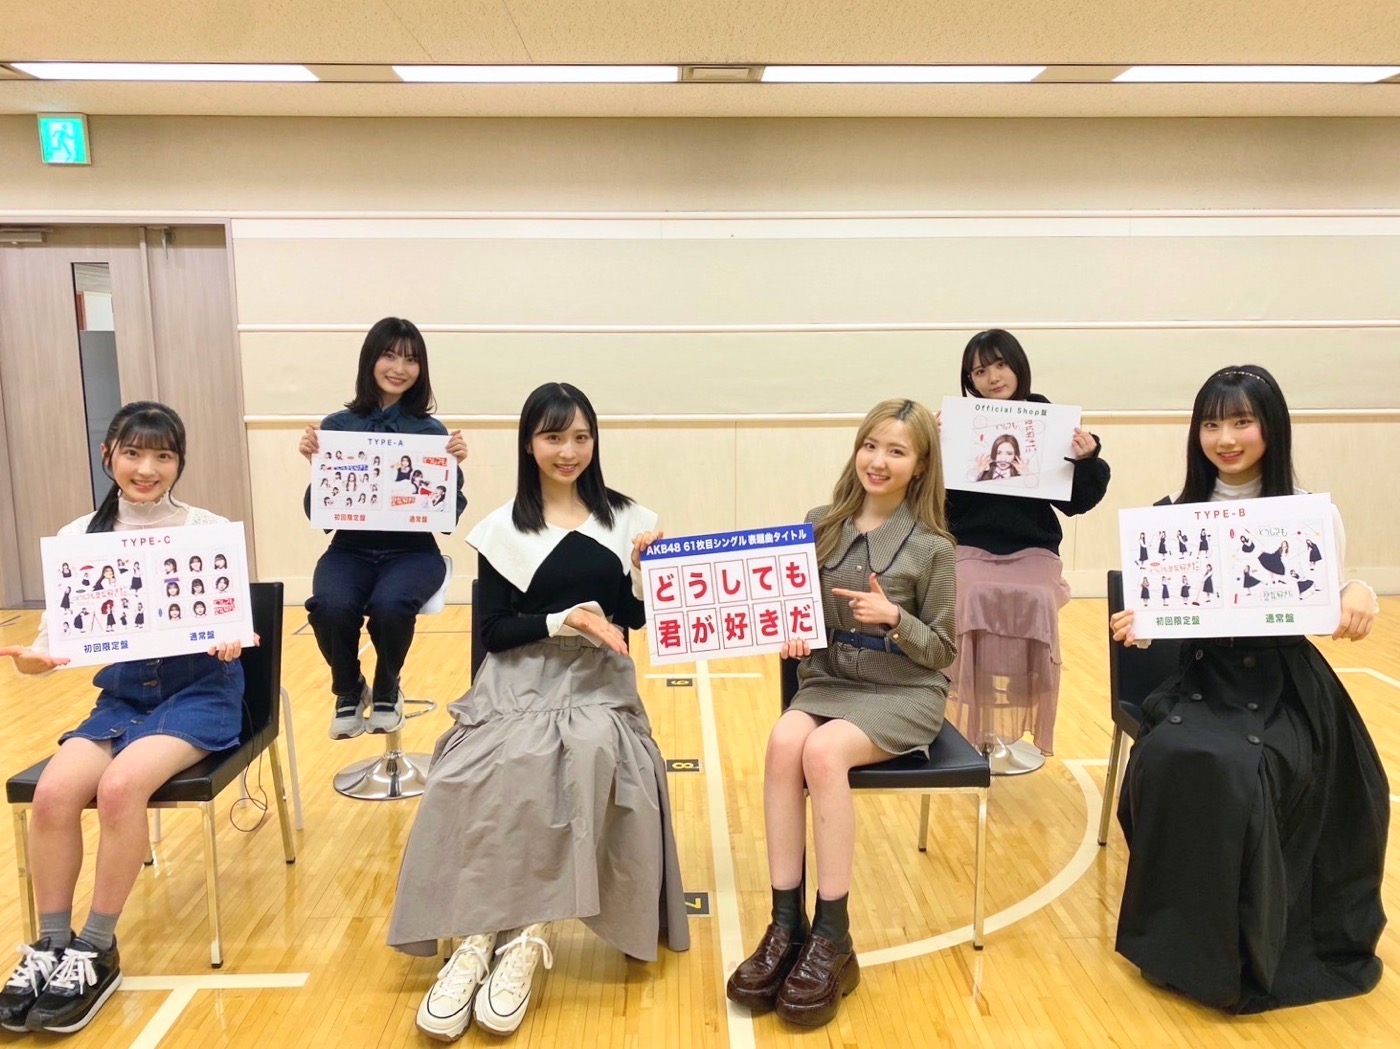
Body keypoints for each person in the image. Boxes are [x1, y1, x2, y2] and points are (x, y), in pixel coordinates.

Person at [388, 382, 687, 1041]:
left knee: (586, 756)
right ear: (529, 444)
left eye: (581, 436)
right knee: (478, 771)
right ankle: (477, 937)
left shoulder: (629, 519)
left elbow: (634, 619)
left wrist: (646, 573)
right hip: (517, 675)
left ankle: (526, 936)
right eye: (554, 437)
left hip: (598, 679)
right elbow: (495, 631)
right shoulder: (503, 530)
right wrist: (564, 617)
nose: (569, 450)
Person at [1109, 364, 1386, 1013]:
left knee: (1260, 769)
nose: (1225, 438)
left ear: (1272, 428)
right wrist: (1140, 626)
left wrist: (1359, 590)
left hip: (1286, 682)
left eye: (1241, 421)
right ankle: (1180, 943)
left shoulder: (1309, 511)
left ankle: (1258, 944)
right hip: (1203, 680)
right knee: (1172, 757)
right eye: (1212, 424)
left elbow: (1330, 595)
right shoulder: (1172, 516)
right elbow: (1166, 615)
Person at [0, 402, 252, 1036]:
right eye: (134, 453)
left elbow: (231, 621)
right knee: (53, 794)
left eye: (163, 455)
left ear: (179, 462)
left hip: (200, 691)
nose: (147, 468)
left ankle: (96, 946)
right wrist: (32, 660)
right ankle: (51, 945)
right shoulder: (78, 537)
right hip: (123, 696)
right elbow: (50, 650)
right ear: (108, 454)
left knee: (119, 788)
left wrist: (230, 638)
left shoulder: (205, 528)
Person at [726, 398, 957, 1028]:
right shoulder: (818, 524)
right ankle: (785, 926)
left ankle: (832, 937)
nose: (878, 461)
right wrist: (791, 630)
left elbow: (943, 650)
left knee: (823, 753)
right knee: (783, 743)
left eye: (897, 451)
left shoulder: (933, 546)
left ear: (920, 465)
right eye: (870, 446)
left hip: (904, 693)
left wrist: (896, 618)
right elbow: (796, 612)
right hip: (830, 681)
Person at [942, 330, 1111, 760]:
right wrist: (934, 447)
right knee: (967, 594)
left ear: (1018, 366)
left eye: (1000, 365)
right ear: (970, 380)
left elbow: (1075, 503)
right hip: (971, 545)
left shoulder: (1048, 420)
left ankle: (1016, 717)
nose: (993, 377)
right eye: (980, 371)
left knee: (1037, 600)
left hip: (1033, 548)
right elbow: (937, 500)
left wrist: (1087, 459)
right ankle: (969, 724)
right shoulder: (960, 424)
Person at [299, 318, 467, 740]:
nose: (399, 368)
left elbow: (447, 511)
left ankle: (388, 687)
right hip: (350, 549)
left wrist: (452, 468)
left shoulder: (432, 432)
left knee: (391, 606)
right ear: (370, 360)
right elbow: (321, 513)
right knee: (329, 606)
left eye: (411, 359)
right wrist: (317, 465)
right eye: (389, 355)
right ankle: (349, 688)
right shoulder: (336, 427)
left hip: (413, 552)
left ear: (421, 369)